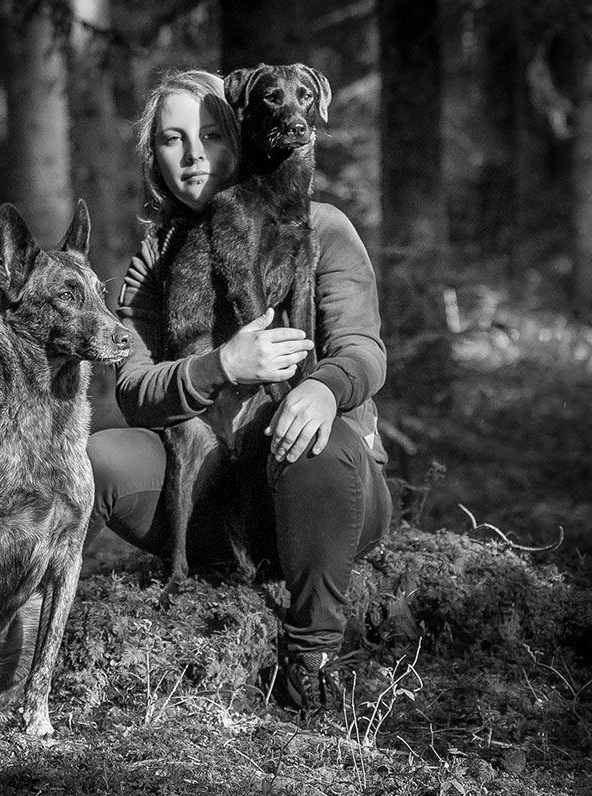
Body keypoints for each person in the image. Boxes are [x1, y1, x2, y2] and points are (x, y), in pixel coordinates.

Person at [85, 69, 392, 715]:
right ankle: (197, 575)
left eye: (211, 134)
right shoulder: (156, 258)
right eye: (173, 139)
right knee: (101, 457)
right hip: (218, 489)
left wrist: (325, 391)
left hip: (329, 488)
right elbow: (136, 391)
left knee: (311, 436)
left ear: (245, 132)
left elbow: (364, 349)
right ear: (154, 156)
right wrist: (219, 364)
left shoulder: (321, 226)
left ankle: (312, 656)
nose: (194, 154)